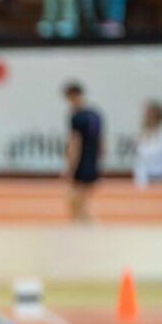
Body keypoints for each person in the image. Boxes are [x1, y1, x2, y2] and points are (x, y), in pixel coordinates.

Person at [61, 82, 103, 221]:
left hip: (80, 160)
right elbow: (100, 141)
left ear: (73, 96)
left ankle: (78, 219)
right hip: (91, 159)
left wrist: (70, 167)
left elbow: (75, 143)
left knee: (74, 193)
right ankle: (84, 216)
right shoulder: (95, 115)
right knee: (85, 193)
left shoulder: (77, 117)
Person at [133, 101, 162, 187]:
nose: (147, 115)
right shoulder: (146, 130)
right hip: (147, 175)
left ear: (157, 113)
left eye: (150, 112)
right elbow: (140, 152)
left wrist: (142, 152)